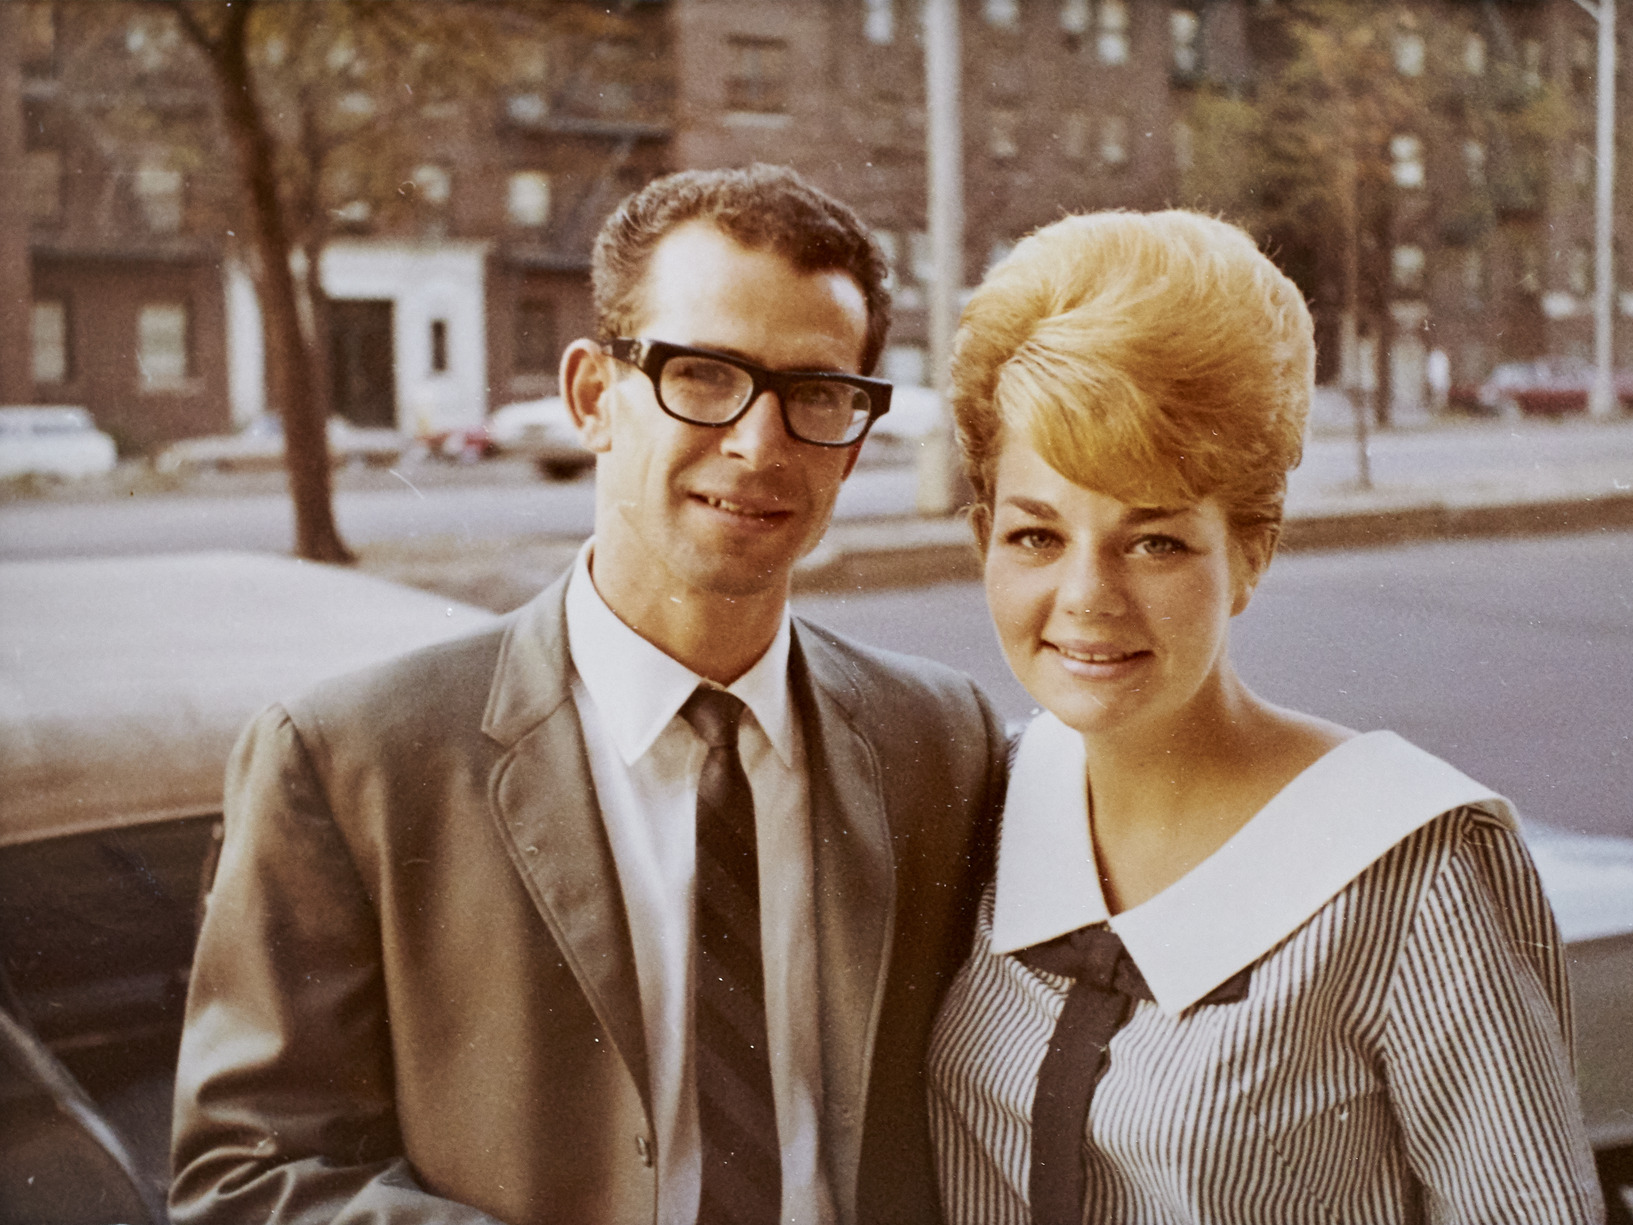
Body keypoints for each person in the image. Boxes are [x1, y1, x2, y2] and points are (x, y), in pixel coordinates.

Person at [169, 165, 1007, 1225]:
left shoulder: (938, 736)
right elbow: (249, 1177)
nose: (759, 442)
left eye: (817, 395)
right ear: (590, 398)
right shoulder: (351, 759)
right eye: (703, 374)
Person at [926, 210, 1605, 1225]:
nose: (1086, 597)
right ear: (984, 538)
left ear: (1251, 550)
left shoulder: (1409, 873)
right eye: (1035, 534)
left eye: (1154, 542)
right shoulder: (983, 804)